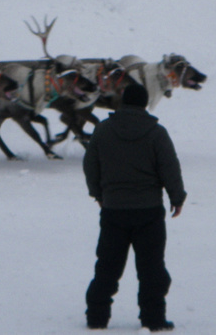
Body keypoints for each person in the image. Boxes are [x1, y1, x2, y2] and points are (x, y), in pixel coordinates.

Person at [83, 82, 186, 332]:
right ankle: (153, 319)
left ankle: (97, 317)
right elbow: (169, 168)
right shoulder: (156, 133)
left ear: (122, 102)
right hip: (148, 212)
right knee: (151, 268)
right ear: (144, 104)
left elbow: (90, 165)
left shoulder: (103, 130)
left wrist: (98, 193)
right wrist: (177, 197)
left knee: (107, 266)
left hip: (113, 210)